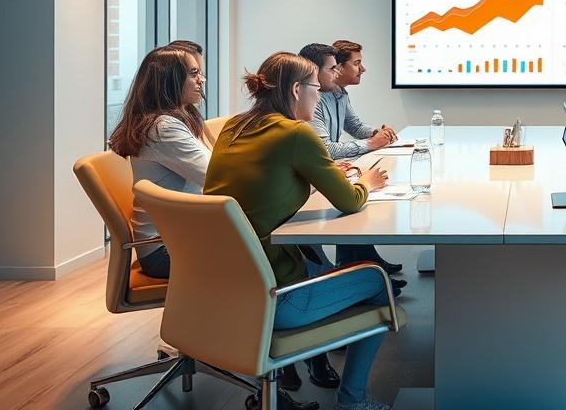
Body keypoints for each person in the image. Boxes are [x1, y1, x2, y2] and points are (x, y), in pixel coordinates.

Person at [204, 52, 393, 410]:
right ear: (295, 90)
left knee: (321, 264)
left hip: (220, 286)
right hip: (276, 294)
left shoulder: (234, 126)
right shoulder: (295, 134)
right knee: (378, 281)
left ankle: (305, 365)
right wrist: (366, 182)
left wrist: (328, 171)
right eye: (314, 88)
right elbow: (351, 201)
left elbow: (270, 180)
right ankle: (353, 399)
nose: (320, 95)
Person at [298, 43, 407, 283]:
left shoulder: (339, 94)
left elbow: (355, 127)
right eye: (355, 64)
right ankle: (355, 268)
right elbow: (325, 149)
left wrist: (378, 134)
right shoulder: (311, 103)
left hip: (328, 168)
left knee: (362, 186)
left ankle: (364, 261)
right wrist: (371, 145)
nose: (362, 69)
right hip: (315, 179)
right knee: (358, 192)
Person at [108, 46, 209, 279]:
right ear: (169, 81)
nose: (201, 79)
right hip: (165, 252)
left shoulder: (170, 121)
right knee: (266, 250)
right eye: (193, 73)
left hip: (172, 242)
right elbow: (216, 175)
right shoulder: (163, 128)